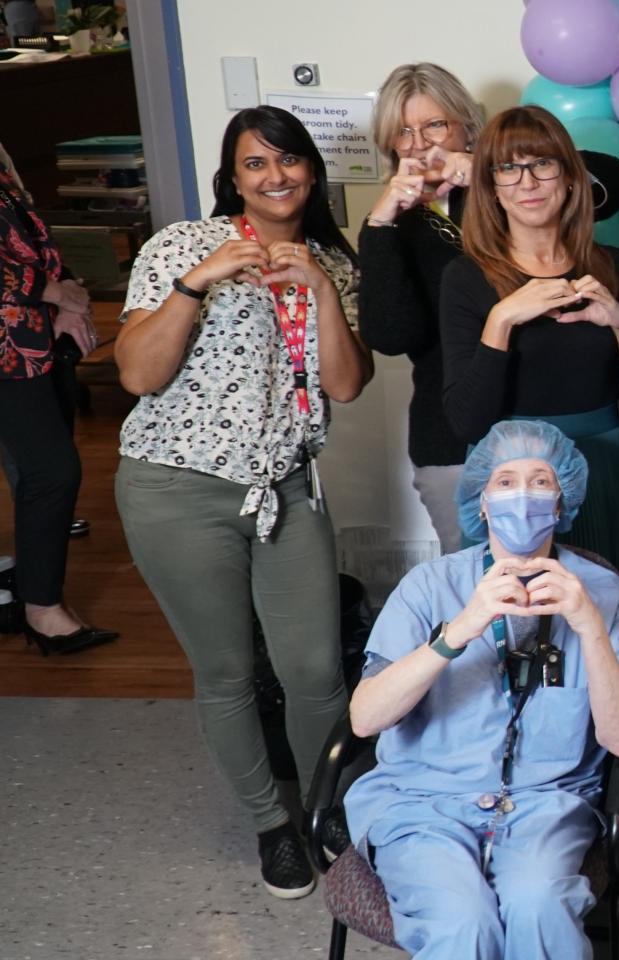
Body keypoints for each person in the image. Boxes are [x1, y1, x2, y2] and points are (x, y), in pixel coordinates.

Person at [115, 106, 370, 898]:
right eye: (256, 164)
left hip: (287, 489)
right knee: (226, 672)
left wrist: (323, 291)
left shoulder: (334, 261)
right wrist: (200, 282)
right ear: (233, 176)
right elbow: (137, 376)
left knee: (317, 670)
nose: (276, 176)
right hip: (175, 489)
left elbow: (345, 386)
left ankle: (329, 815)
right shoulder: (181, 247)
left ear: (312, 172)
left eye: (290, 161)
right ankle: (272, 826)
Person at [345, 419, 619, 960]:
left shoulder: (604, 594)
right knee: (464, 925)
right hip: (423, 802)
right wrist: (459, 630)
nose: (524, 496)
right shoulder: (430, 587)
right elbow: (365, 719)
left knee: (540, 908)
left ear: (562, 502)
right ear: (481, 503)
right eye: (506, 482)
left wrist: (588, 626)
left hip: (545, 807)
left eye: (541, 481)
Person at [440, 105, 619, 605]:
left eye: (543, 164)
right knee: (515, 628)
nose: (528, 181)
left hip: (606, 470)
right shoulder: (466, 277)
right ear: (491, 188)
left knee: (614, 629)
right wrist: (503, 319)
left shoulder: (613, 267)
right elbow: (465, 421)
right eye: (509, 168)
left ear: (570, 178)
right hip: (514, 485)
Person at [358, 62, 487, 554]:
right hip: (448, 434)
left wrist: (486, 177)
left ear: (465, 126)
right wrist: (382, 224)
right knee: (475, 588)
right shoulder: (391, 226)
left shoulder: (514, 187)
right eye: (403, 132)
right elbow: (391, 337)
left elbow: (599, 184)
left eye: (435, 124)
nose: (419, 144)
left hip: (537, 417)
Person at [0, 138, 115, 654]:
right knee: (53, 471)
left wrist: (67, 296)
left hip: (30, 338)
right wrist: (52, 293)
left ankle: (31, 592)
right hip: (8, 347)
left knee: (38, 471)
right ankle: (41, 611)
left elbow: (31, 239)